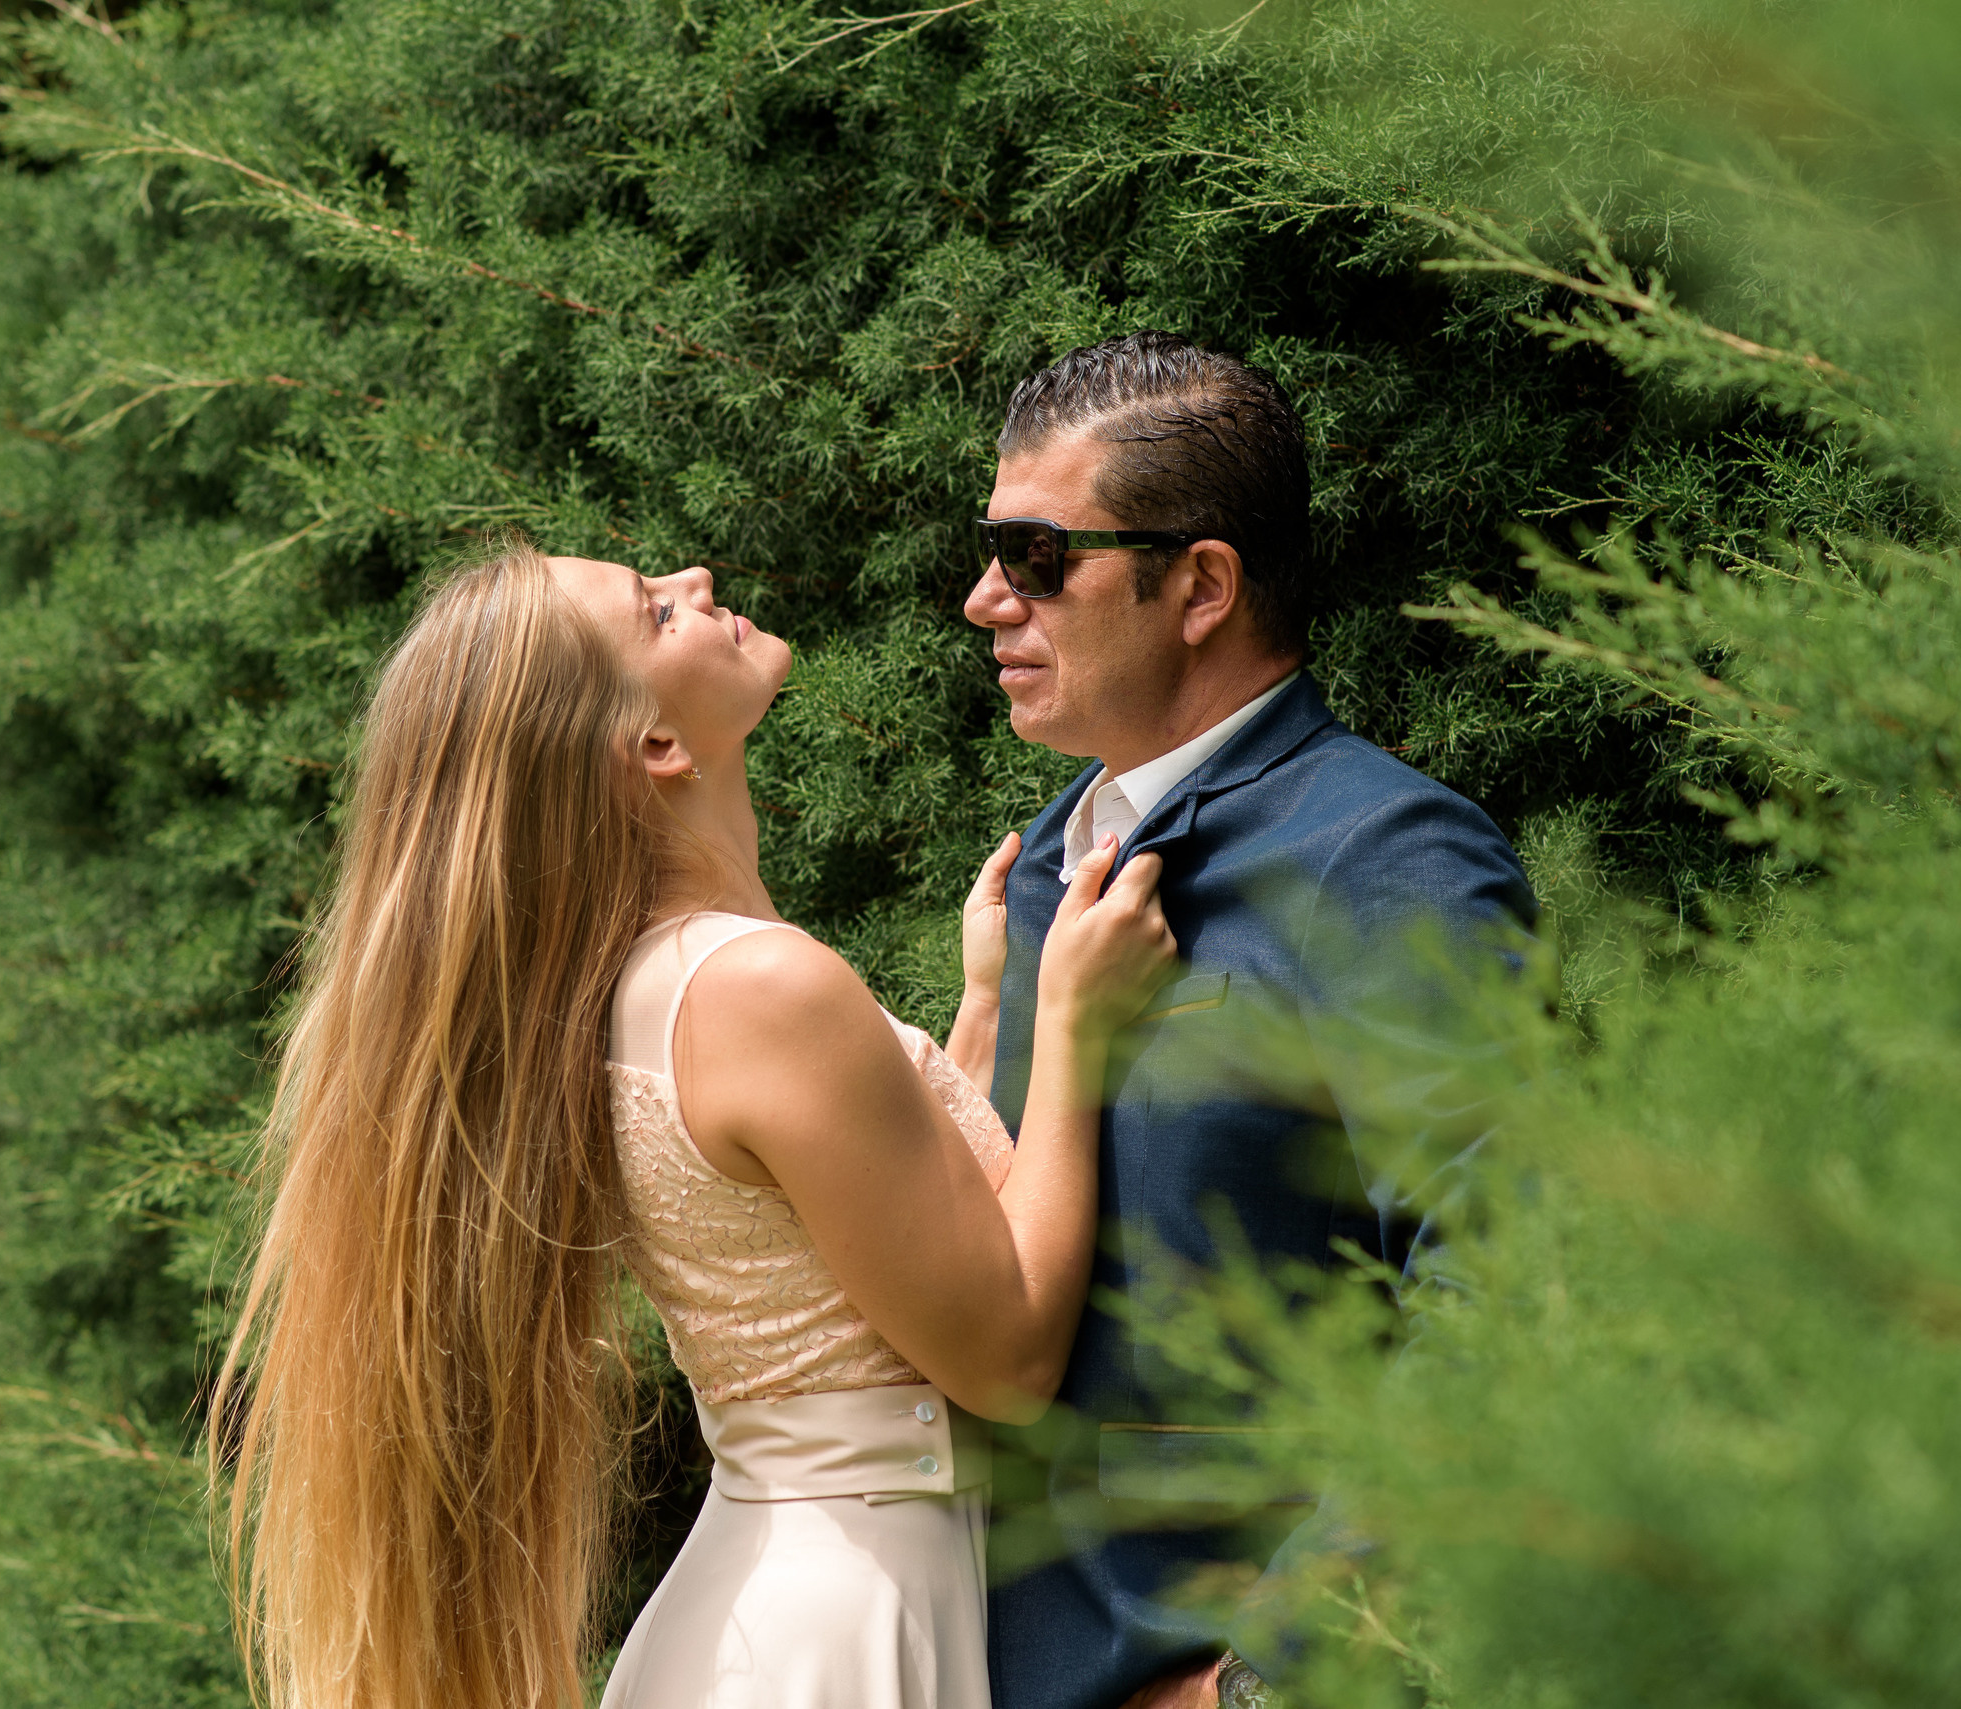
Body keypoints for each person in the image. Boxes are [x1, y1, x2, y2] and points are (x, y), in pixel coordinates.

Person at [212, 543, 1183, 1709]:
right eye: (654, 609)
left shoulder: (648, 985)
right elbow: (1006, 1357)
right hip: (844, 1630)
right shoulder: (757, 987)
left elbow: (863, 1244)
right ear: (656, 745)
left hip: (780, 1609)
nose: (699, 575)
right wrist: (1074, 1025)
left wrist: (981, 1011)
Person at [964, 331, 1538, 1709]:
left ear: (1203, 584)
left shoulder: (1389, 860)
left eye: (1039, 556)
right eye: (988, 547)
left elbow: (1502, 1289)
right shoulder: (1049, 863)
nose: (986, 598)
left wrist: (1274, 1678)